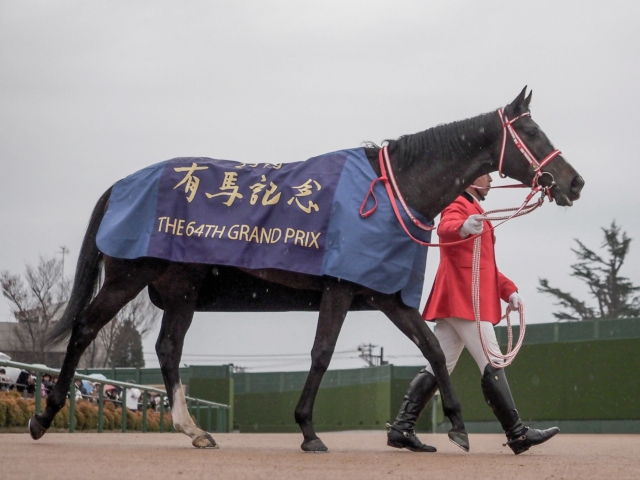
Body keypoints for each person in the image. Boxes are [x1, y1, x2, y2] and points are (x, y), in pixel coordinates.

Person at [386, 173, 559, 455]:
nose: (490, 181)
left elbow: (484, 265)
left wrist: (509, 291)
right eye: (485, 177)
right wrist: (463, 228)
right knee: (492, 361)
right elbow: (446, 228)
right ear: (470, 181)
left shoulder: (476, 210)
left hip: (457, 299)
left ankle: (402, 427)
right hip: (465, 299)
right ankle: (517, 434)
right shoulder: (457, 203)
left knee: (439, 365)